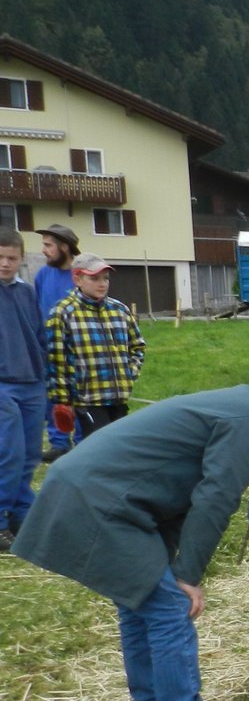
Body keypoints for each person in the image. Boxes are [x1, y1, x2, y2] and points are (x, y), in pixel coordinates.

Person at [13, 360, 249, 701]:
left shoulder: (239, 404)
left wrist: (176, 565)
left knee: (141, 603)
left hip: (98, 492)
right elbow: (215, 498)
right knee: (168, 608)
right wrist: (188, 576)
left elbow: (182, 493)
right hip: (100, 501)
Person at [46, 253, 146, 438]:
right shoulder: (63, 312)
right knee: (98, 446)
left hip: (118, 397)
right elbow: (57, 361)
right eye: (94, 278)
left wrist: (128, 373)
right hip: (88, 399)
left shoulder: (120, 310)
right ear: (77, 278)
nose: (102, 283)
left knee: (119, 444)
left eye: (106, 278)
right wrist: (62, 400)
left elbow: (137, 346)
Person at [0, 228, 45, 553]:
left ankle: (21, 516)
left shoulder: (27, 292)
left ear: (20, 259)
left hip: (33, 381)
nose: (4, 263)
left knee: (30, 456)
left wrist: (46, 373)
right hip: (3, 385)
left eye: (11, 258)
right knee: (9, 453)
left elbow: (39, 335)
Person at [33, 224, 80, 462]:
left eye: (48, 245)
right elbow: (36, 309)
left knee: (79, 396)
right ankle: (59, 443)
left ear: (64, 247)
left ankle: (82, 442)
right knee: (53, 397)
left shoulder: (81, 275)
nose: (44, 250)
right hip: (48, 350)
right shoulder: (43, 274)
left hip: (77, 351)